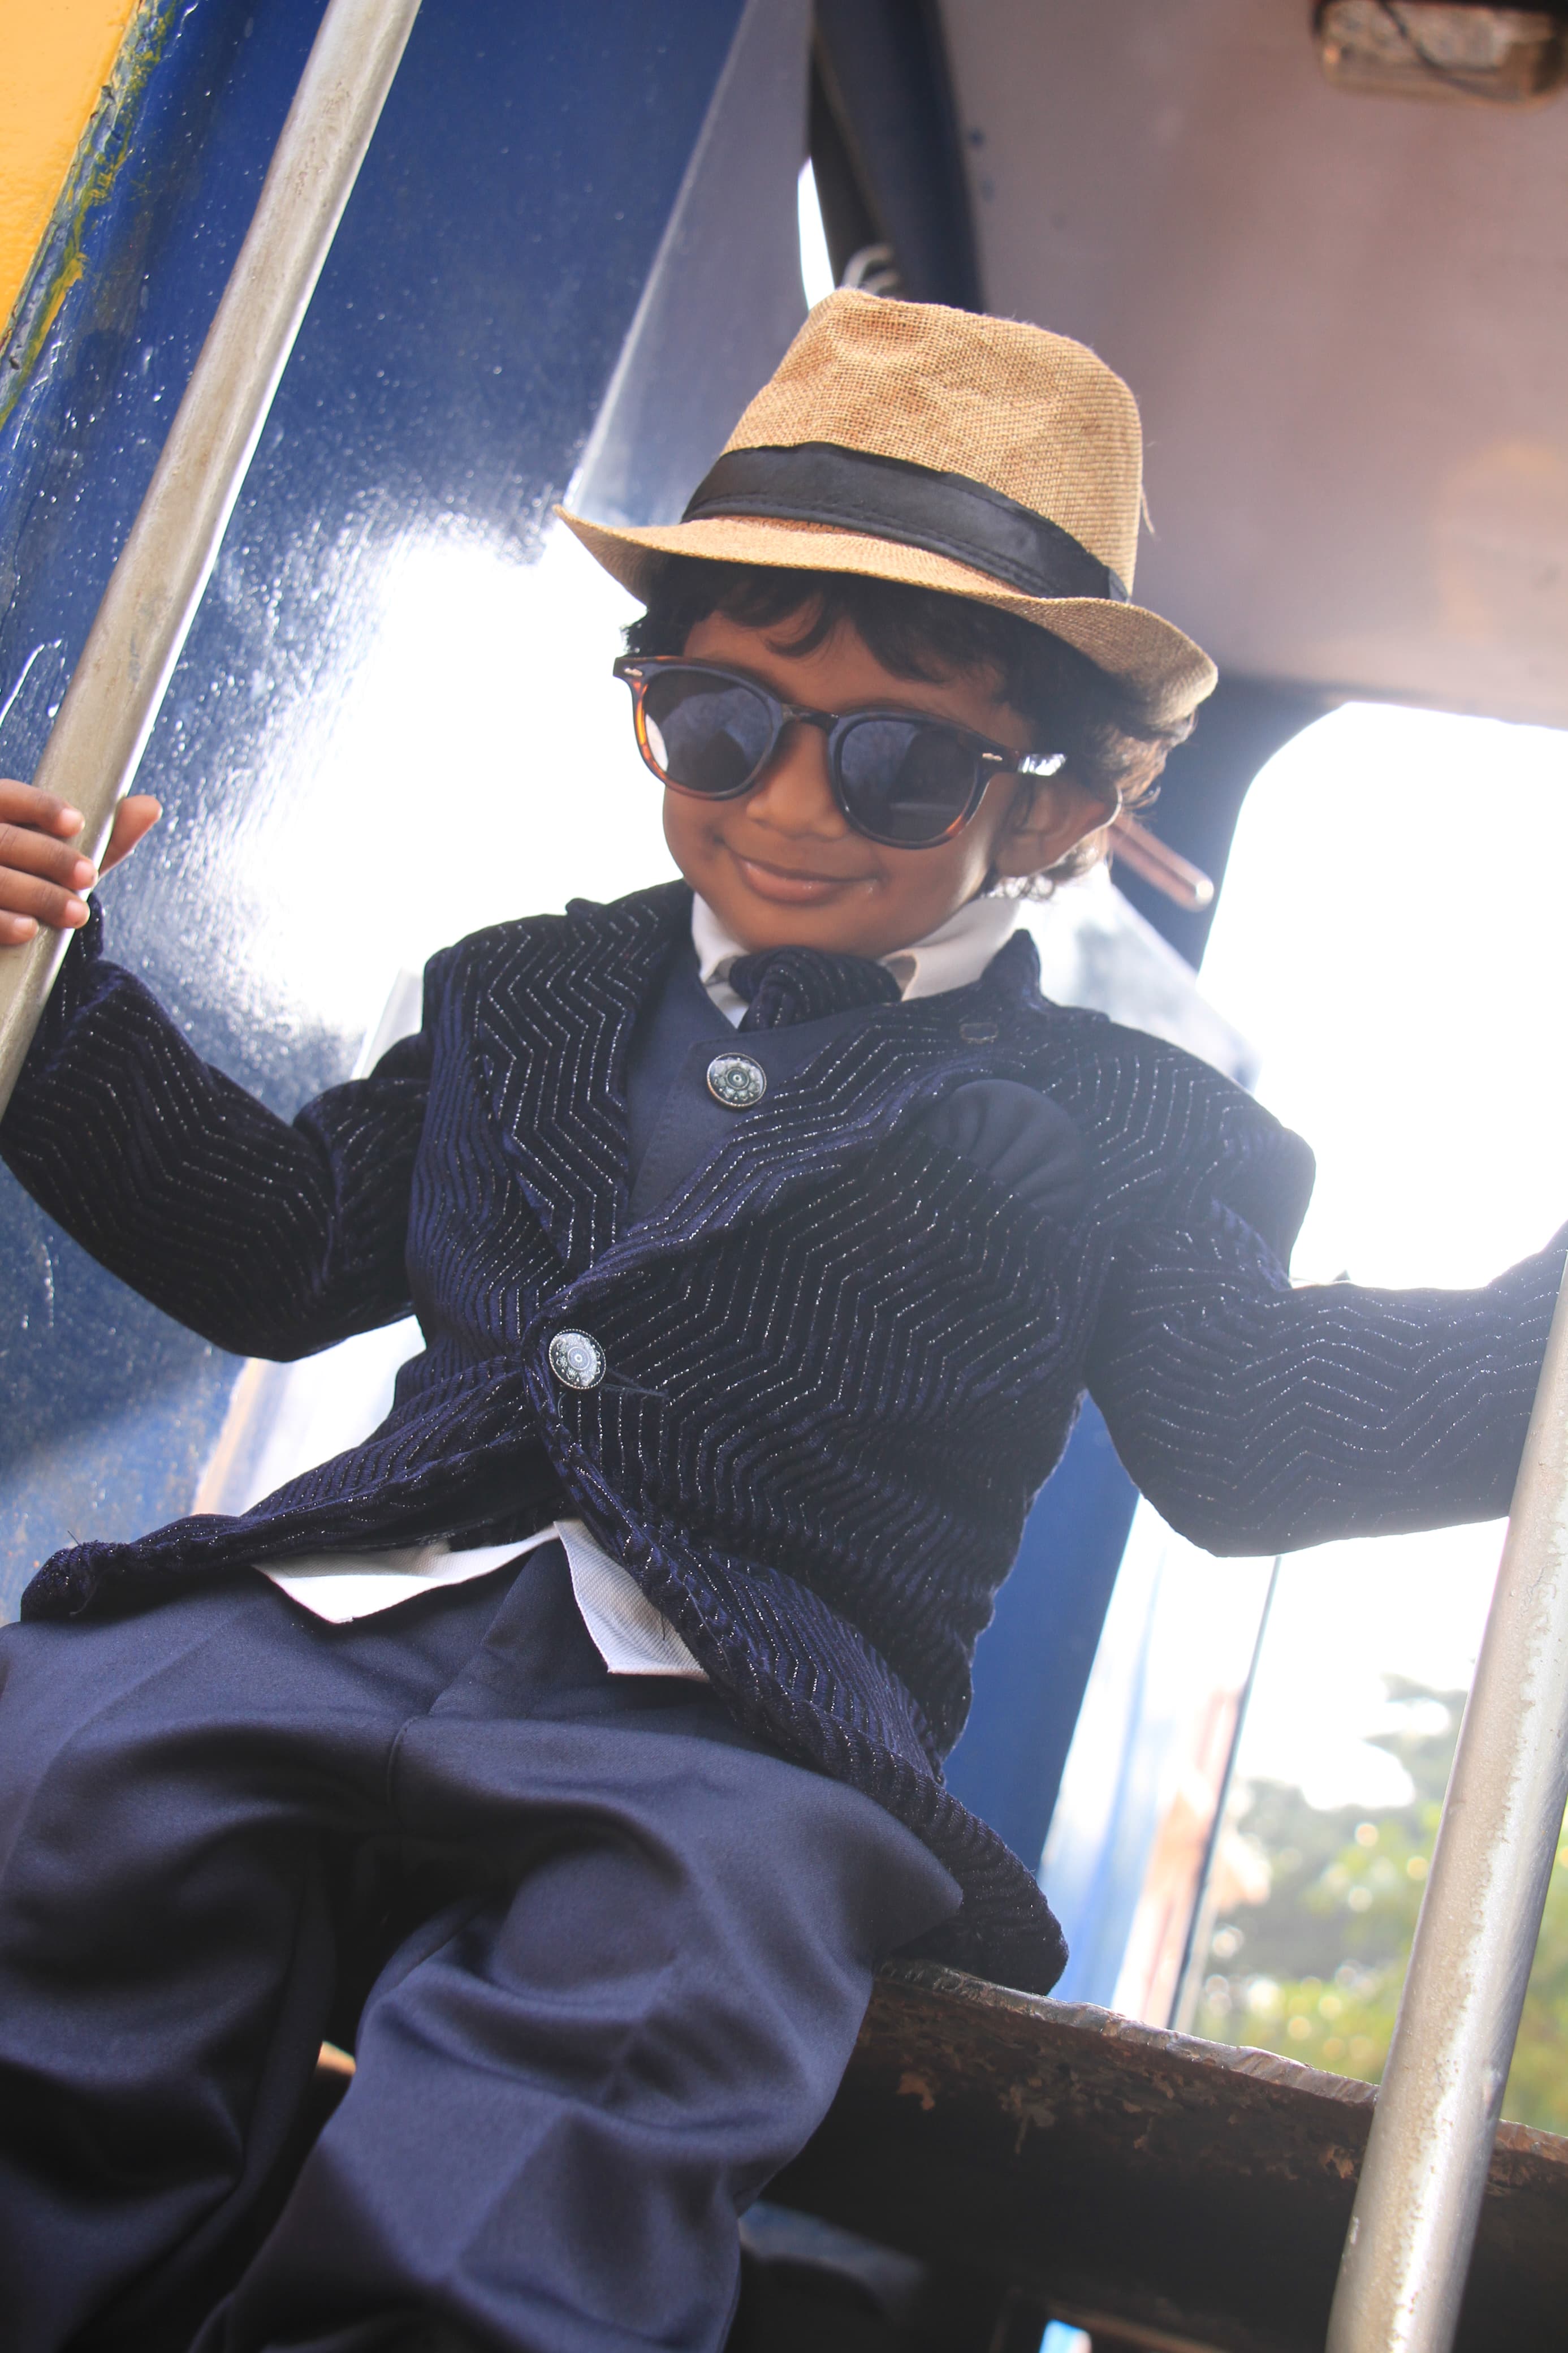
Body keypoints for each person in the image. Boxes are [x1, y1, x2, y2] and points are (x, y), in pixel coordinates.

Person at [0, 292, 1558, 2353]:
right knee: (58, 1779)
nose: (792, 807)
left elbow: (1254, 1429)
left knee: (631, 2024)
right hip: (362, 1593)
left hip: (740, 1706)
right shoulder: (528, 989)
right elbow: (284, 1250)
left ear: (1056, 809)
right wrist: (50, 1006)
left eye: (900, 765)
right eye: (726, 727)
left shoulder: (1130, 1129)